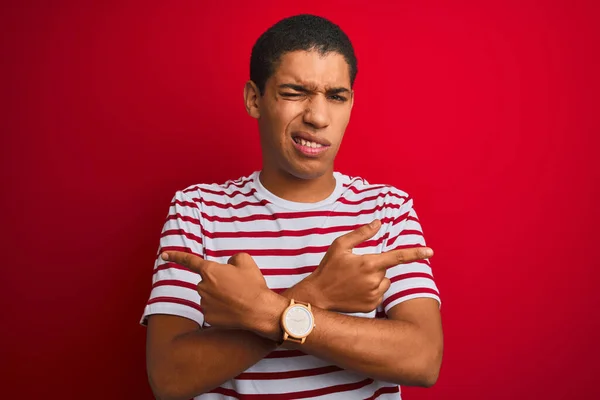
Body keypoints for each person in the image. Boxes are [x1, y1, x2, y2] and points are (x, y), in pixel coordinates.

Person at [141, 14, 443, 400]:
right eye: (294, 92)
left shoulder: (387, 208)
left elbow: (423, 358)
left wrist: (264, 311)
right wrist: (319, 294)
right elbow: (169, 378)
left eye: (336, 96)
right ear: (255, 99)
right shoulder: (197, 209)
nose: (318, 117)